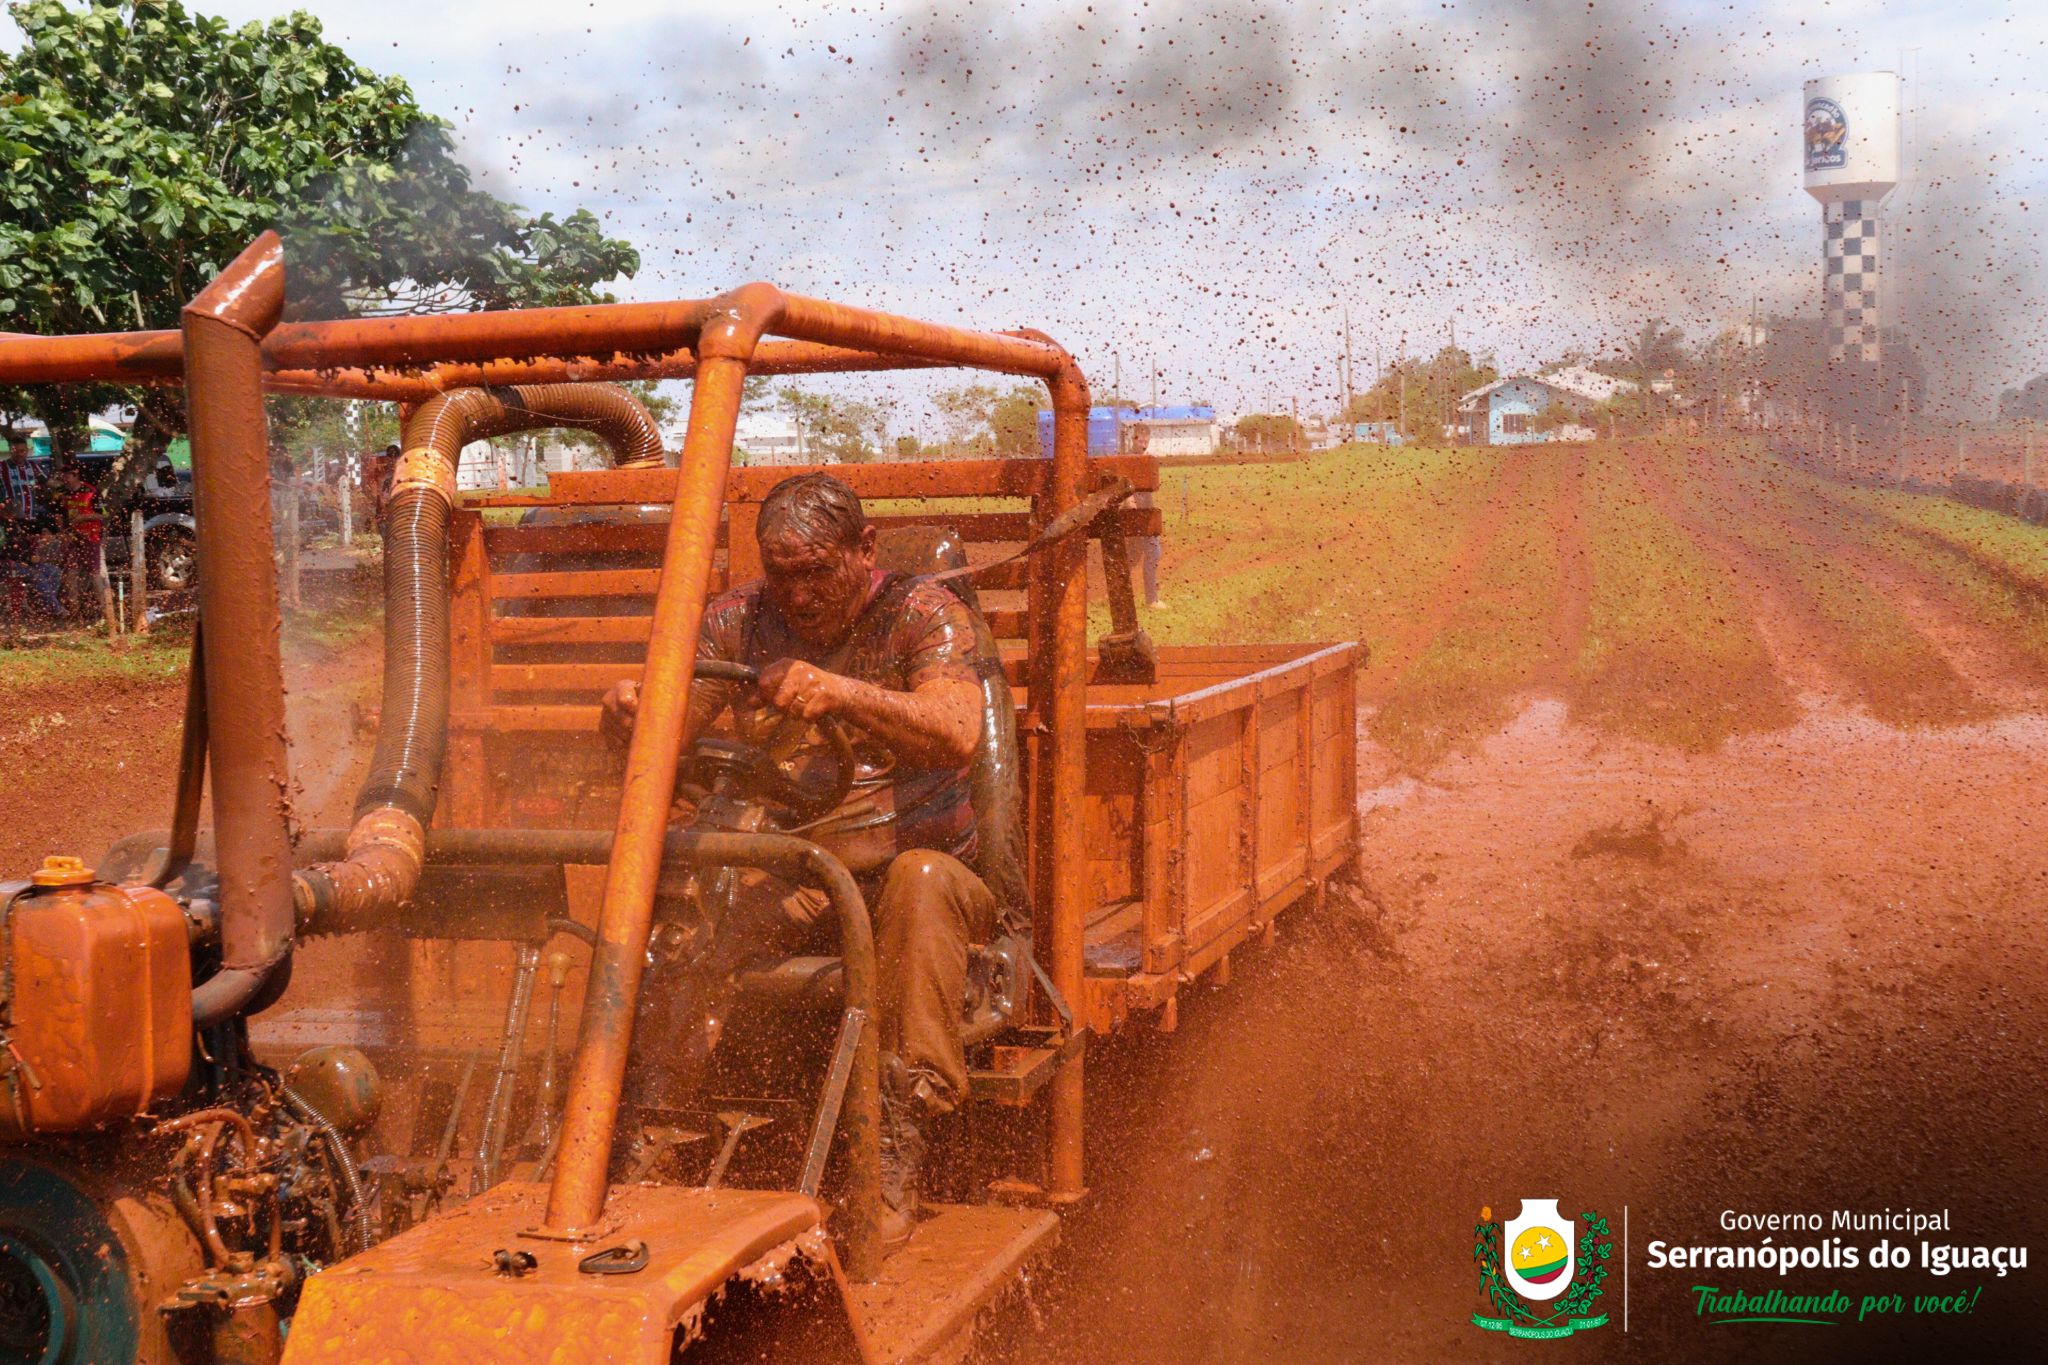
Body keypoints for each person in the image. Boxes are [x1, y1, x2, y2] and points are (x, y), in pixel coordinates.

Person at [601, 472, 992, 1248]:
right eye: (783, 575)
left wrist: (843, 692)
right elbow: (670, 732)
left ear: (865, 548)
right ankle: (661, 1125)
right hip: (798, 871)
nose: (800, 595)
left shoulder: (923, 614)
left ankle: (895, 1144)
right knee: (697, 877)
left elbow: (955, 730)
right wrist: (628, 718)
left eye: (818, 571)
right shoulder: (738, 620)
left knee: (919, 884)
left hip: (915, 867)